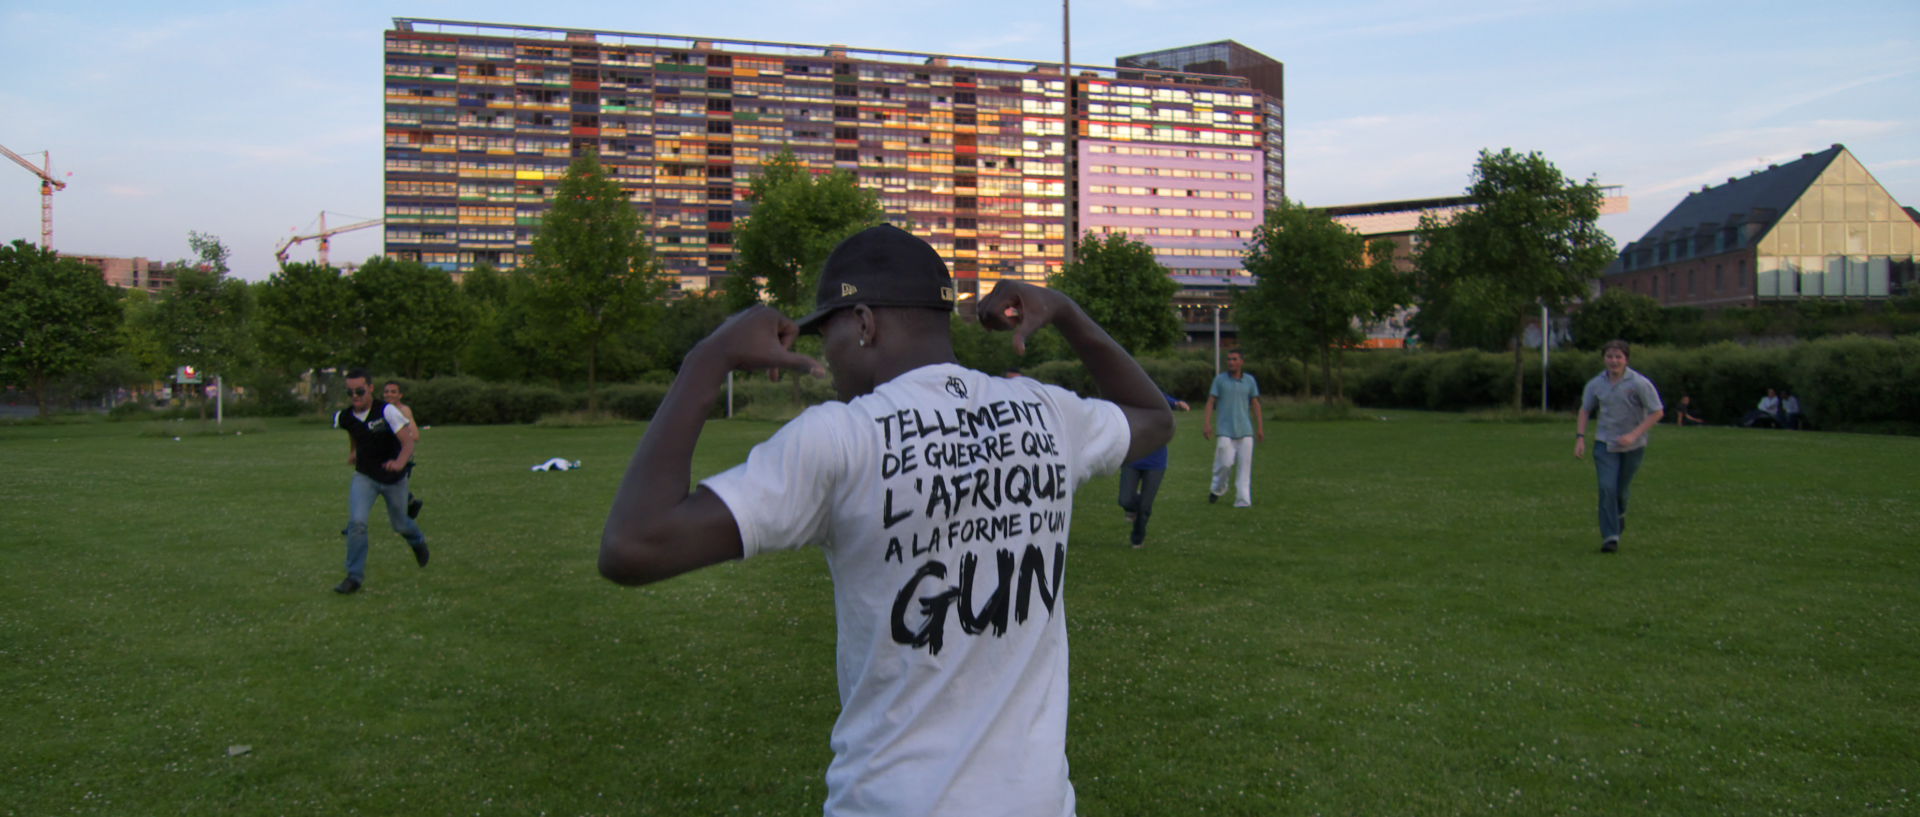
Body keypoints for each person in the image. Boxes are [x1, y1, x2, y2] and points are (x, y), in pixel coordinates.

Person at [598, 224, 1173, 817]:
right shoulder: (1044, 413)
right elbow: (1153, 419)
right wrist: (1068, 314)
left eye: (831, 336)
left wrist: (707, 358)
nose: (829, 357)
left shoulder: (842, 437)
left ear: (865, 323)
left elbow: (634, 546)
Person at [332, 369, 429, 593]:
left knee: (400, 524)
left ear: (371, 388)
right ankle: (354, 577)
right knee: (357, 524)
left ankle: (417, 541)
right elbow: (354, 432)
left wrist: (399, 462)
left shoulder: (387, 412)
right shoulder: (345, 417)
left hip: (393, 478)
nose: (355, 396)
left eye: (360, 391)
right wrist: (354, 451)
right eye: (350, 392)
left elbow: (409, 442)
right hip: (365, 476)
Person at [1574, 340, 1664, 553]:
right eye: (1609, 357)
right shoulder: (1596, 384)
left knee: (1621, 491)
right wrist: (1580, 437)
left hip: (1634, 446)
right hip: (1605, 444)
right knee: (1607, 488)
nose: (1613, 361)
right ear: (1604, 359)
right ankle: (1610, 537)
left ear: (1626, 360)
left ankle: (1619, 514)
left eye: (1618, 357)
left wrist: (1634, 435)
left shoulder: (1639, 383)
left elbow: (1657, 412)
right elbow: (1585, 410)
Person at [1118, 391, 1191, 548]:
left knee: (1145, 507)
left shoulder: (1155, 398)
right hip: (1133, 457)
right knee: (1125, 499)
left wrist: (1178, 404)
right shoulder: (1129, 399)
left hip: (1156, 462)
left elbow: (1168, 401)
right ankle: (1135, 503)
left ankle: (1137, 538)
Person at [1202, 349, 1263, 507]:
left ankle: (1243, 501)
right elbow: (1211, 402)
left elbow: (1255, 404)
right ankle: (1217, 488)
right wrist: (1207, 424)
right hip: (1225, 430)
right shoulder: (1220, 380)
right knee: (1225, 463)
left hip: (1245, 431)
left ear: (1241, 361)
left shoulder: (1249, 380)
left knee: (1244, 468)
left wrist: (1260, 428)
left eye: (1234, 359)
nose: (1231, 362)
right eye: (1229, 359)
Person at [382, 380, 425, 520]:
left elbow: (415, 435)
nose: (389, 394)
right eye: (387, 391)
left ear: (400, 395)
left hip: (401, 457)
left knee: (387, 486)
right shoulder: (382, 410)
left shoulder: (404, 411)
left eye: (393, 392)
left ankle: (410, 504)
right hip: (386, 455)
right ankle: (410, 503)